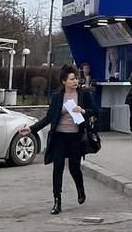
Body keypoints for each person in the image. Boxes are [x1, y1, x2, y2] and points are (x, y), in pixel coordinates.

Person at [21, 64, 97, 215]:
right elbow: (49, 117)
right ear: (64, 81)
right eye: (72, 79)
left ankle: (80, 188)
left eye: (76, 79)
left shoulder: (84, 95)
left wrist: (82, 111)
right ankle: (57, 201)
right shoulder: (57, 97)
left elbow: (95, 111)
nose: (75, 81)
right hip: (59, 137)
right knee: (58, 169)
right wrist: (31, 129)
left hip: (76, 137)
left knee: (75, 168)